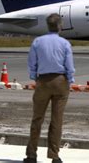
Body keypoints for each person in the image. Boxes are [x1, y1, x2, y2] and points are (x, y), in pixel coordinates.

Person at [24, 13, 75, 163]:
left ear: (47, 25)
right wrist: (69, 80)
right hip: (60, 81)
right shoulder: (65, 43)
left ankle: (31, 154)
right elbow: (69, 66)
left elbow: (31, 62)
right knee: (57, 120)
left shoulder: (38, 42)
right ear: (60, 26)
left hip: (43, 81)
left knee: (37, 118)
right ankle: (54, 155)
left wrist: (35, 77)